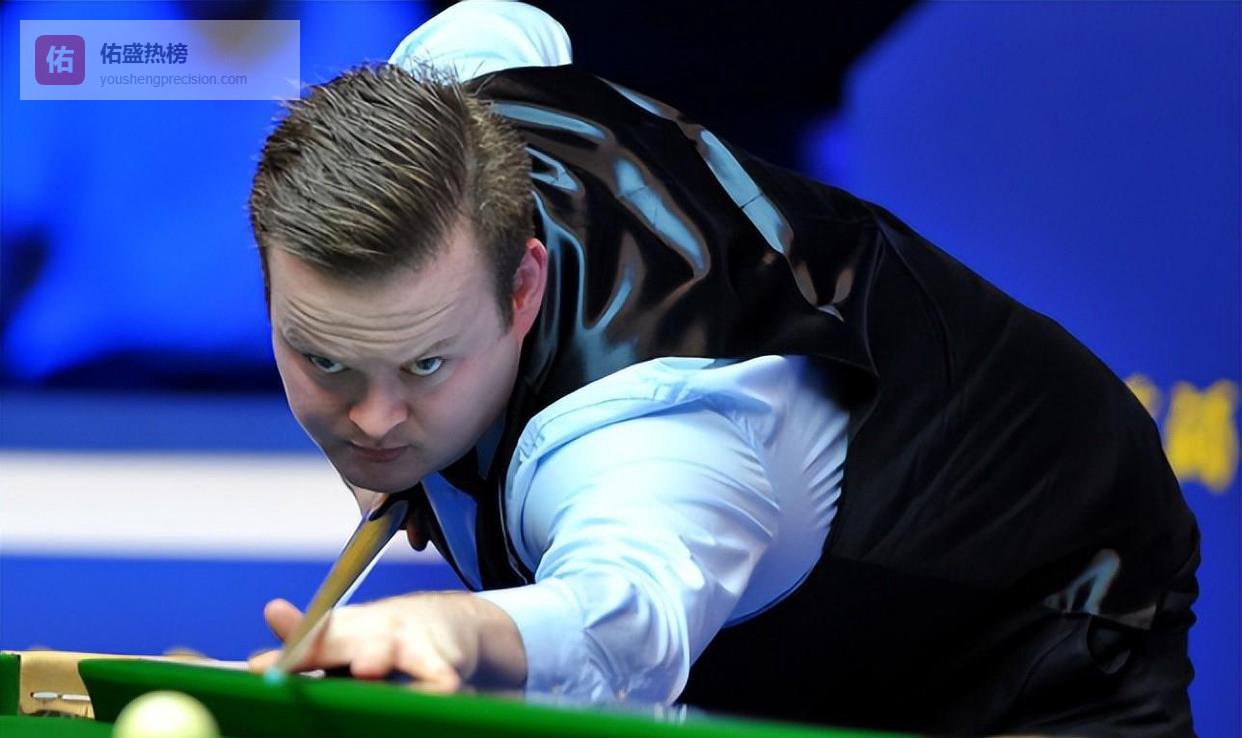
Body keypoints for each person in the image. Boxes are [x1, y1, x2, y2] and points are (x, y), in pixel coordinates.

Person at [246, 2, 1200, 736]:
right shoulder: (448, 105)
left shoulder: (647, 430)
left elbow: (627, 622)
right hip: (799, 630)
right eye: (326, 360)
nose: (375, 418)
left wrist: (468, 633)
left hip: (1047, 594)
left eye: (425, 362)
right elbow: (501, 21)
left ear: (523, 288)